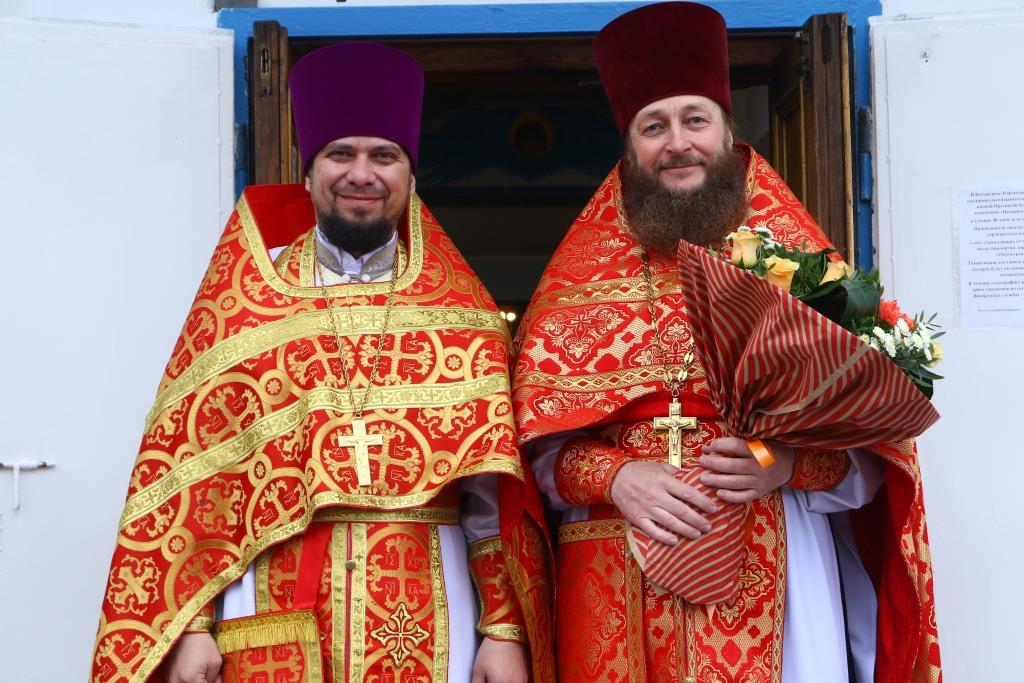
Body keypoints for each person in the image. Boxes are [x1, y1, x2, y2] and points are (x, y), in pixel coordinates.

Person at [92, 42, 553, 683]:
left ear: (410, 175)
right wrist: (192, 628)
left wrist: (501, 630)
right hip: (271, 596)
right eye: (341, 154)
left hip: (428, 596)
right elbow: (193, 479)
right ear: (308, 174)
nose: (362, 174)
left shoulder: (460, 312)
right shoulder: (246, 304)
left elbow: (491, 494)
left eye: (384, 156)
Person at [511, 4, 941, 682]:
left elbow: (873, 453)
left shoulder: (798, 267)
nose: (677, 143)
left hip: (774, 564)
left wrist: (782, 464)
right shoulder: (573, 283)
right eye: (654, 126)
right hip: (614, 569)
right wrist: (616, 476)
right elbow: (530, 451)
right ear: (629, 148)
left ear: (727, 133)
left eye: (695, 120)